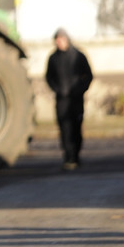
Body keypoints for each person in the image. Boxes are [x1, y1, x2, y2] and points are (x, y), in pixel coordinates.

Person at [45, 28, 94, 170]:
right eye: (57, 40)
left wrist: (80, 90)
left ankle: (76, 155)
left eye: (61, 39)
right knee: (64, 129)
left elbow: (88, 75)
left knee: (76, 128)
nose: (59, 42)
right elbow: (49, 77)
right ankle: (68, 156)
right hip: (62, 100)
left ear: (67, 39)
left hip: (76, 99)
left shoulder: (78, 56)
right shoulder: (53, 58)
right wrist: (57, 90)